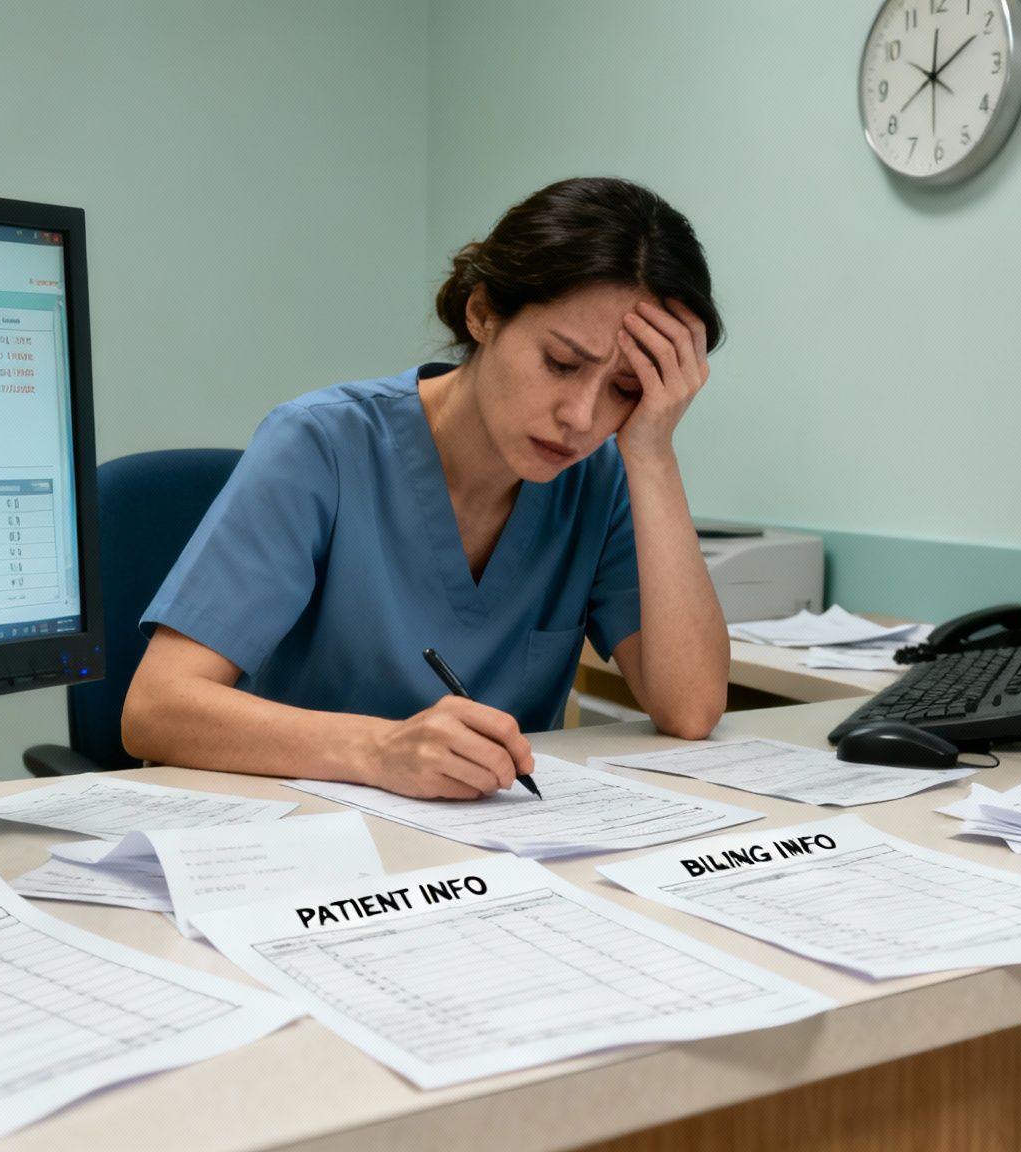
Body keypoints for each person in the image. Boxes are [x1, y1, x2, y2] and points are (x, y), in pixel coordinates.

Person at [122, 177, 730, 799]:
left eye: (625, 390)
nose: (580, 417)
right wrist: (379, 750)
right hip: (301, 827)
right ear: (483, 313)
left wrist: (653, 451)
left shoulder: (600, 479)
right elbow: (155, 708)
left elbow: (691, 710)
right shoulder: (321, 445)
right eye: (561, 364)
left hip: (491, 842)